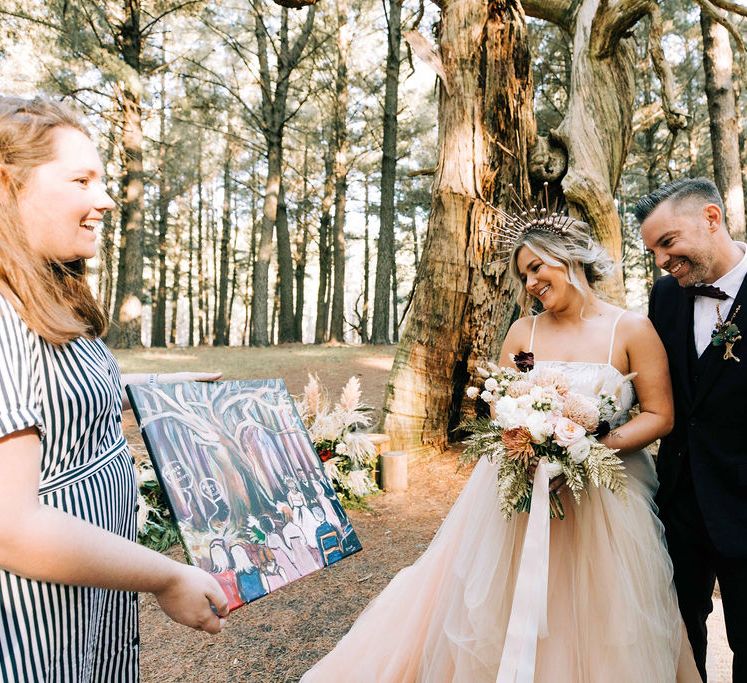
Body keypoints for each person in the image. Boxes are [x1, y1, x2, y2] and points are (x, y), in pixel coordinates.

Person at [302, 211, 700, 681]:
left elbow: (660, 415)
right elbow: (504, 402)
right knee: (506, 598)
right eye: (523, 275)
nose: (530, 283)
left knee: (600, 608)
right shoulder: (524, 334)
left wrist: (581, 450)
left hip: (606, 496)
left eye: (536, 268)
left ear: (567, 258)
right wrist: (529, 440)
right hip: (520, 487)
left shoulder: (630, 329)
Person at [0, 96, 229, 682]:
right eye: (81, 179)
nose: (104, 200)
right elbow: (11, 527)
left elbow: (49, 396)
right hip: (31, 622)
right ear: (8, 185)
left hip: (82, 604)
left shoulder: (42, 292)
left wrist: (154, 387)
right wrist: (167, 575)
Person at [638, 177, 747, 682]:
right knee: (677, 639)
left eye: (668, 242)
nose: (662, 259)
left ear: (711, 218)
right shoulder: (665, 298)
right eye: (654, 250)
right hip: (680, 504)